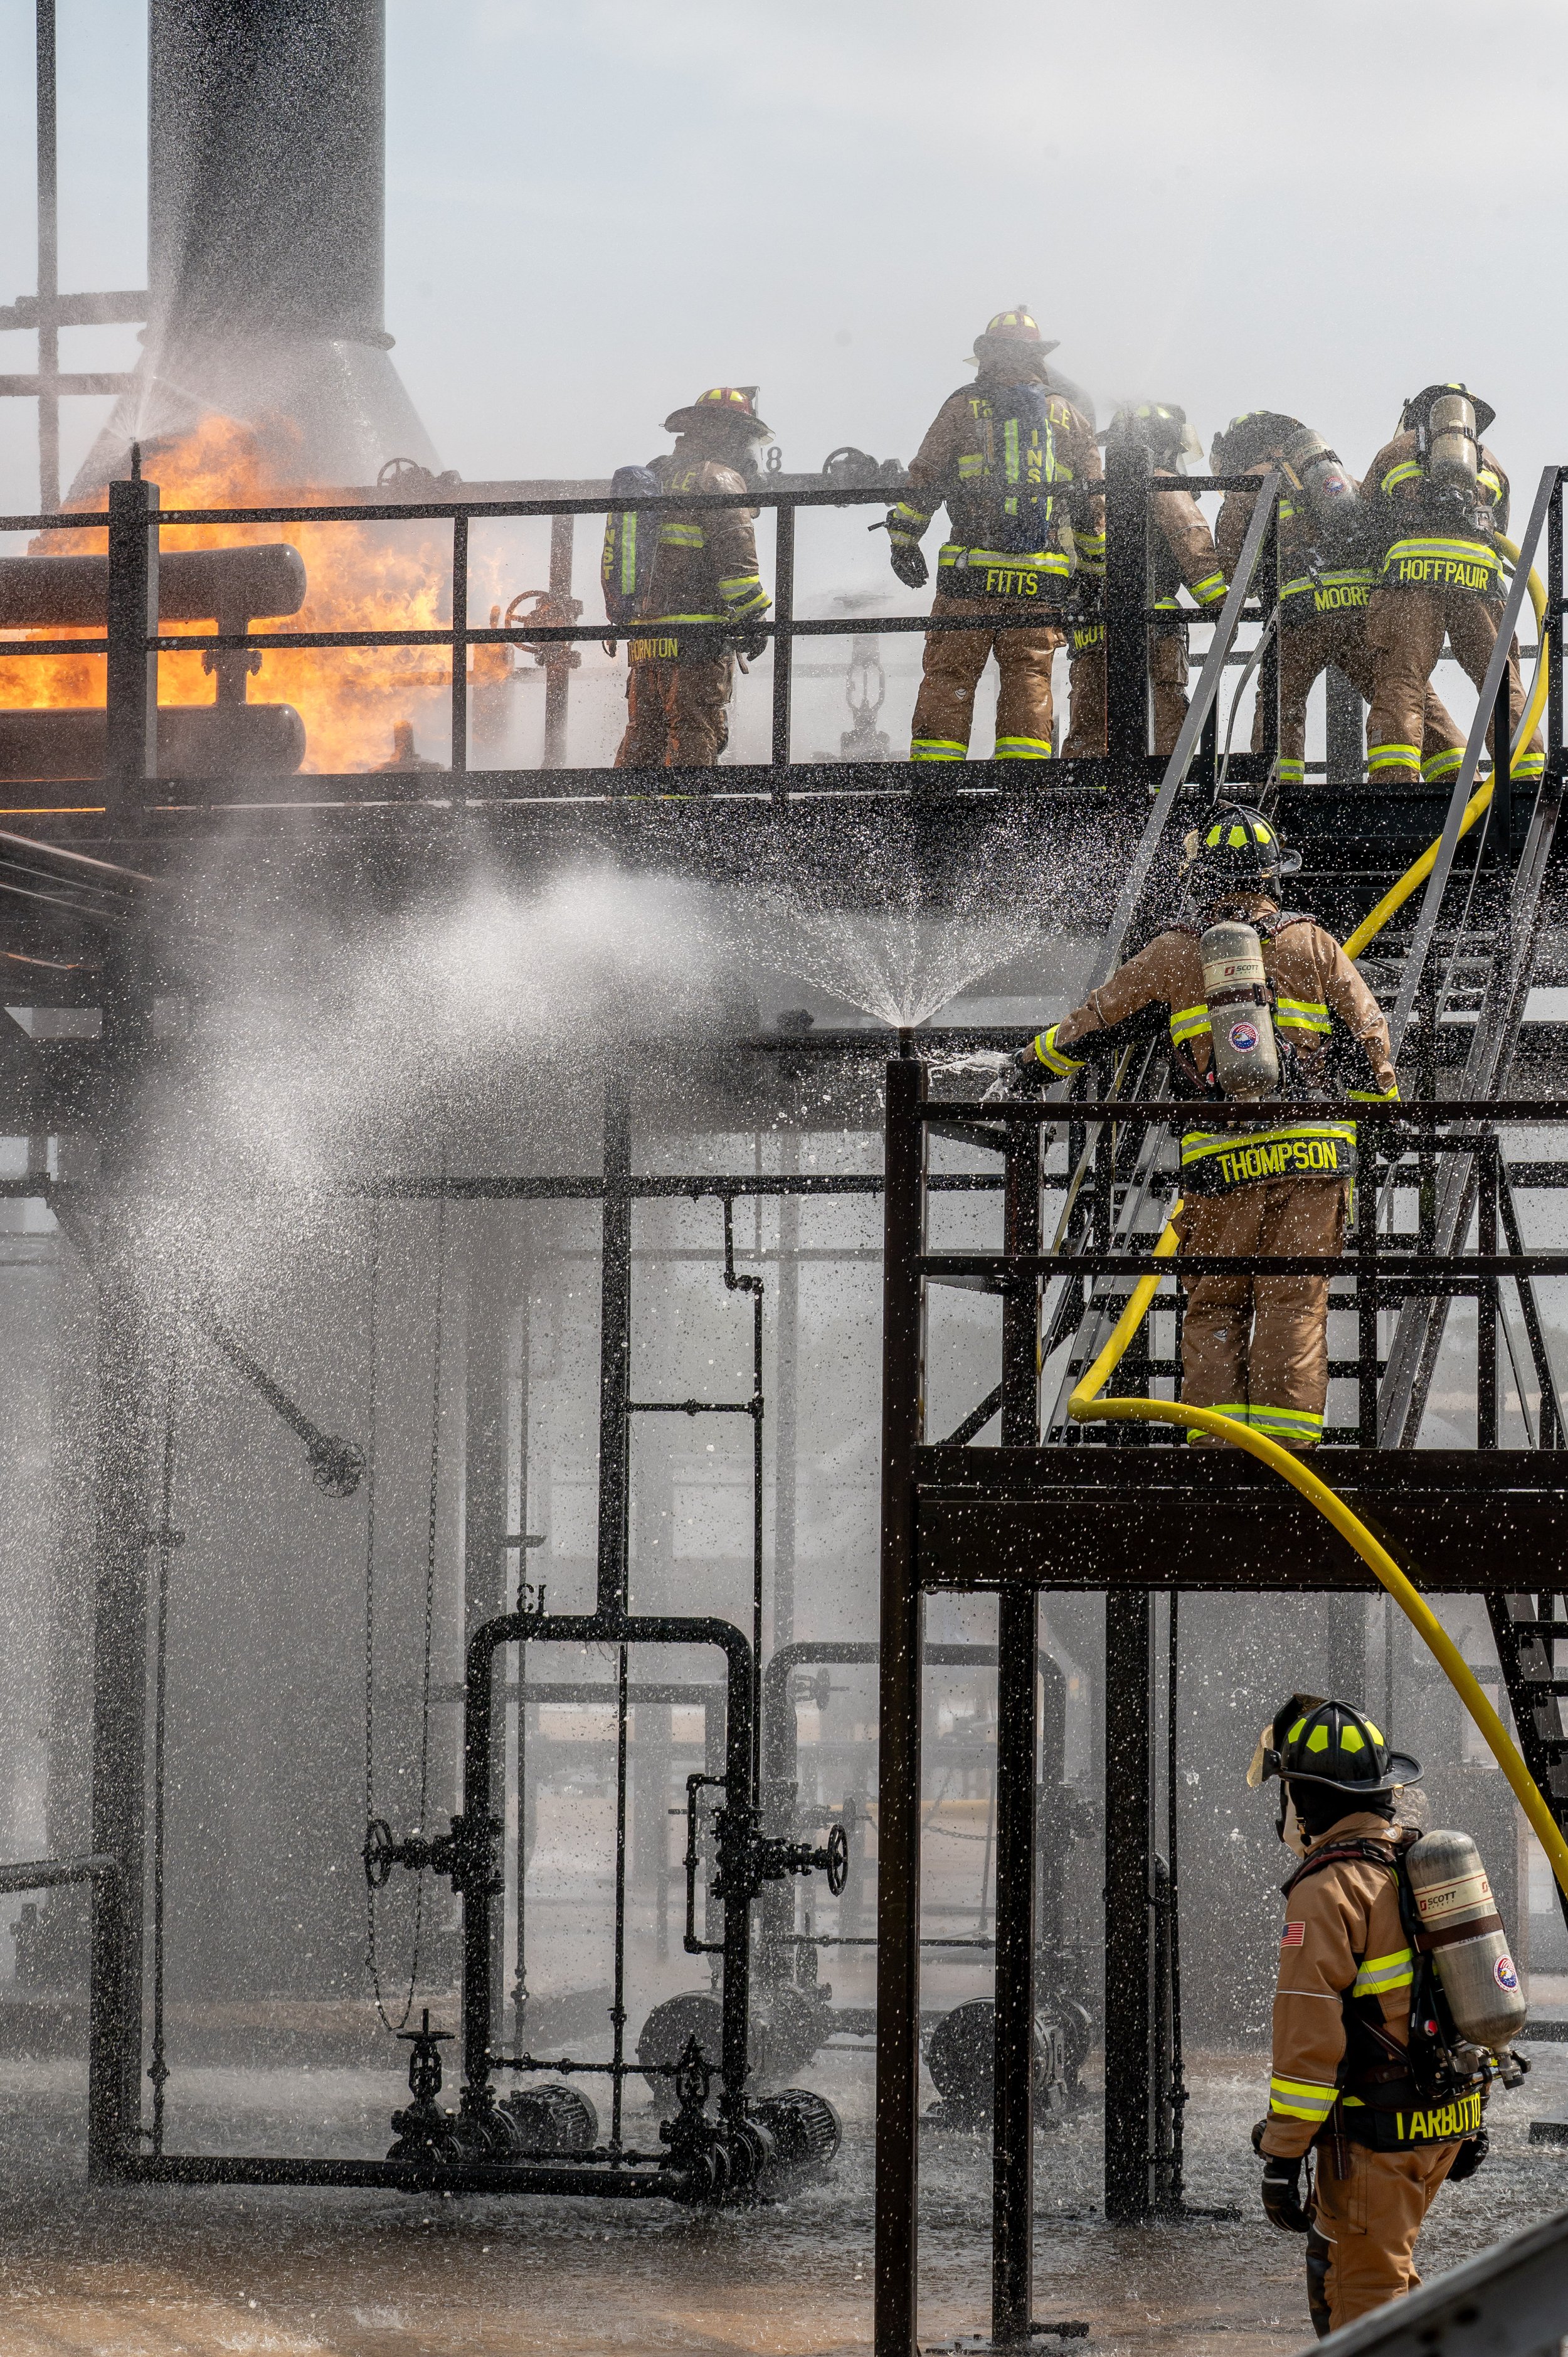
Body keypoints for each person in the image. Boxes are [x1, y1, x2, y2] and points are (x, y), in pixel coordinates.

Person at [1014, 804, 1397, 1450]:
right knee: (1292, 1306)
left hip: (1221, 1168)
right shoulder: (1313, 942)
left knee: (1215, 1306)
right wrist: (1380, 1127)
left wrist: (1028, 1064)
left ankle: (1215, 1451)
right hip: (1311, 1162)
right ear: (1272, 876)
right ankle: (1283, 1456)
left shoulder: (1174, 952)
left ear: (1203, 880)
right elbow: (1369, 1041)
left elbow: (1095, 1023)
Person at [1248, 1695, 1491, 2336]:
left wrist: (1281, 2155)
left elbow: (1307, 2041)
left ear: (1307, 1796)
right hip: (1443, 2118)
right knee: (1389, 2273)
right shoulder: (1419, 1862)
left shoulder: (1326, 1888)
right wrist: (1473, 2114)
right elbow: (1470, 1998)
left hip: (1379, 2134)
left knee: (1363, 2304)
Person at [882, 307, 1103, 764]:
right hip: (1040, 579)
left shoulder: (962, 406)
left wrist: (904, 539)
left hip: (970, 573)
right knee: (1029, 677)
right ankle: (1019, 789)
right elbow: (1092, 505)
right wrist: (1095, 572)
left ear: (988, 355)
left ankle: (936, 786)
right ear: (1038, 357)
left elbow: (925, 476)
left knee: (950, 675)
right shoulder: (1068, 415)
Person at [1211, 413, 1463, 789]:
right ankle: (1458, 780)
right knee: (1404, 691)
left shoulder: (1247, 486)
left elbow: (1236, 574)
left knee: (1282, 704)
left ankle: (1279, 793)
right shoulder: (1339, 479)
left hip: (1302, 614)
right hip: (1362, 610)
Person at [1362, 383, 1544, 790]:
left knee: (1402, 678)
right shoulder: (1489, 460)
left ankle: (1395, 781)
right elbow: (1498, 530)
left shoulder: (1396, 451)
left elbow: (1366, 522)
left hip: (1411, 576)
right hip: (1477, 579)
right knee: (1498, 678)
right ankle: (1528, 775)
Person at [607, 386, 772, 768]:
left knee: (645, 731)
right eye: (745, 438)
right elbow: (738, 567)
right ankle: (686, 822)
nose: (749, 451)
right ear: (723, 434)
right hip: (699, 633)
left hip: (647, 635)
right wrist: (754, 617)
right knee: (696, 728)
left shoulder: (655, 477)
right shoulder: (718, 480)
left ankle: (627, 816)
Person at [1062, 403, 1228, 758]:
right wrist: (1220, 606)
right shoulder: (1162, 482)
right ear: (1164, 443)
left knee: (1090, 714)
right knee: (1161, 714)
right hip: (1153, 627)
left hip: (1093, 623)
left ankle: (1085, 791)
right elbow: (1191, 539)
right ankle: (1158, 792)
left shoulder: (1091, 489)